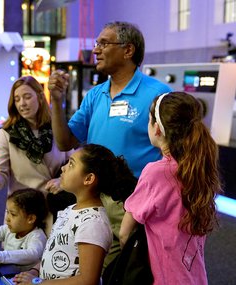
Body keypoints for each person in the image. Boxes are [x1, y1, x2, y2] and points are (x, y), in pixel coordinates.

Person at [48, 21, 172, 265]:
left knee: (126, 269)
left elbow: (178, 150)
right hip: (91, 199)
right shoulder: (96, 94)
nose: (95, 50)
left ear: (128, 50)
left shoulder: (158, 94)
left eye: (104, 43)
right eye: (97, 44)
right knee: (89, 268)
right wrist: (56, 101)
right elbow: (64, 142)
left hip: (134, 202)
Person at [119, 92, 222, 284]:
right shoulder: (199, 167)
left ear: (157, 129)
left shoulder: (156, 173)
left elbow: (125, 232)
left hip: (165, 278)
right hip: (195, 276)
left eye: (149, 120)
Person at [12, 144, 138, 285]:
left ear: (88, 179)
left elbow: (88, 280)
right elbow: (55, 252)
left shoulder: (93, 223)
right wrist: (35, 271)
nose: (63, 168)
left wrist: (37, 282)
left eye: (71, 164)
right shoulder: (69, 210)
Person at [0, 76, 74, 226]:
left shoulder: (57, 129)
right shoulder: (6, 134)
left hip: (56, 210)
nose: (22, 104)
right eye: (17, 99)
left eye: (27, 97)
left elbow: (74, 164)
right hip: (22, 215)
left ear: (40, 97)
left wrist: (62, 181)